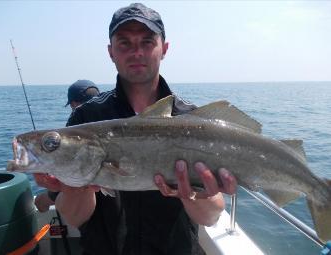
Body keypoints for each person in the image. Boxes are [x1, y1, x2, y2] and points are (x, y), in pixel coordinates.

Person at [34, 3, 237, 255]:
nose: (136, 52)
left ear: (164, 48)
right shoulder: (87, 117)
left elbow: (210, 216)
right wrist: (74, 183)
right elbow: (75, 218)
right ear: (111, 52)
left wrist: (192, 194)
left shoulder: (192, 120)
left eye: (147, 42)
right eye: (125, 43)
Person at [34, 80, 100, 213]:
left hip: (90, 199)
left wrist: (44, 200)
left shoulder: (75, 123)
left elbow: (71, 179)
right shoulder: (112, 116)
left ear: (73, 103)